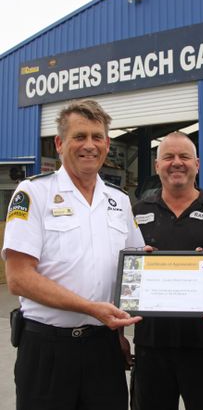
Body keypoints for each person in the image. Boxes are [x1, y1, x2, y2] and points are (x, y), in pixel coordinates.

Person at [1, 99, 145, 410]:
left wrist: (174, 269)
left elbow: (132, 268)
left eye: (97, 137)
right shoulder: (33, 193)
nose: (89, 146)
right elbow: (19, 278)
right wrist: (91, 308)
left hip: (104, 348)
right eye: (79, 137)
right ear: (60, 143)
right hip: (46, 350)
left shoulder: (119, 201)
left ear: (107, 144)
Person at [131, 131, 203, 410]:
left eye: (184, 157)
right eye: (168, 157)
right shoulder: (137, 212)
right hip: (150, 345)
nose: (176, 163)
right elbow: (122, 275)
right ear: (157, 166)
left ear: (197, 164)